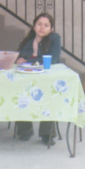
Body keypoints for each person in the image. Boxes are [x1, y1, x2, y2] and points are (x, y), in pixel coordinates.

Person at [15, 12, 61, 145]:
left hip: (47, 79)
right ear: (34, 27)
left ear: (51, 29)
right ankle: (25, 130)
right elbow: (20, 56)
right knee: (20, 93)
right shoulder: (29, 40)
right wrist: (20, 60)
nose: (42, 27)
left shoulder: (55, 38)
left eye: (46, 25)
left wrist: (28, 60)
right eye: (39, 24)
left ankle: (47, 134)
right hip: (27, 77)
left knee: (49, 97)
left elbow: (53, 58)